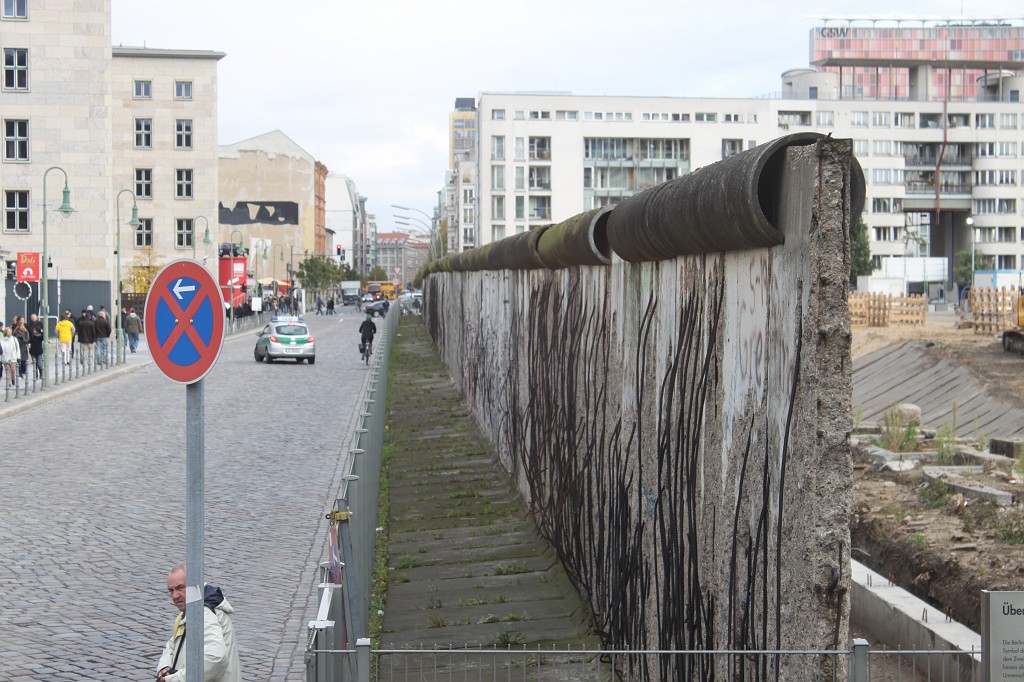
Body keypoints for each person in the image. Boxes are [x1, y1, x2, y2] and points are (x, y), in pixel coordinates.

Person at [156, 565, 240, 682]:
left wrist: (174, 679)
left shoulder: (203, 615)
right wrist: (164, 667)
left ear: (195, 585)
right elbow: (172, 646)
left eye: (180, 587)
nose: (175, 595)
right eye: (171, 590)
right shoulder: (190, 612)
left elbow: (216, 658)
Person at [27, 313, 43, 379]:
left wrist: (41, 332)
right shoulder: (30, 325)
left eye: (34, 317)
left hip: (39, 351)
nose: (33, 319)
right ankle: (35, 375)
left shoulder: (40, 336)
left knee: (39, 363)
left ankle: (41, 373)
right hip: (33, 350)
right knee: (34, 363)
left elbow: (43, 335)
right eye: (32, 317)